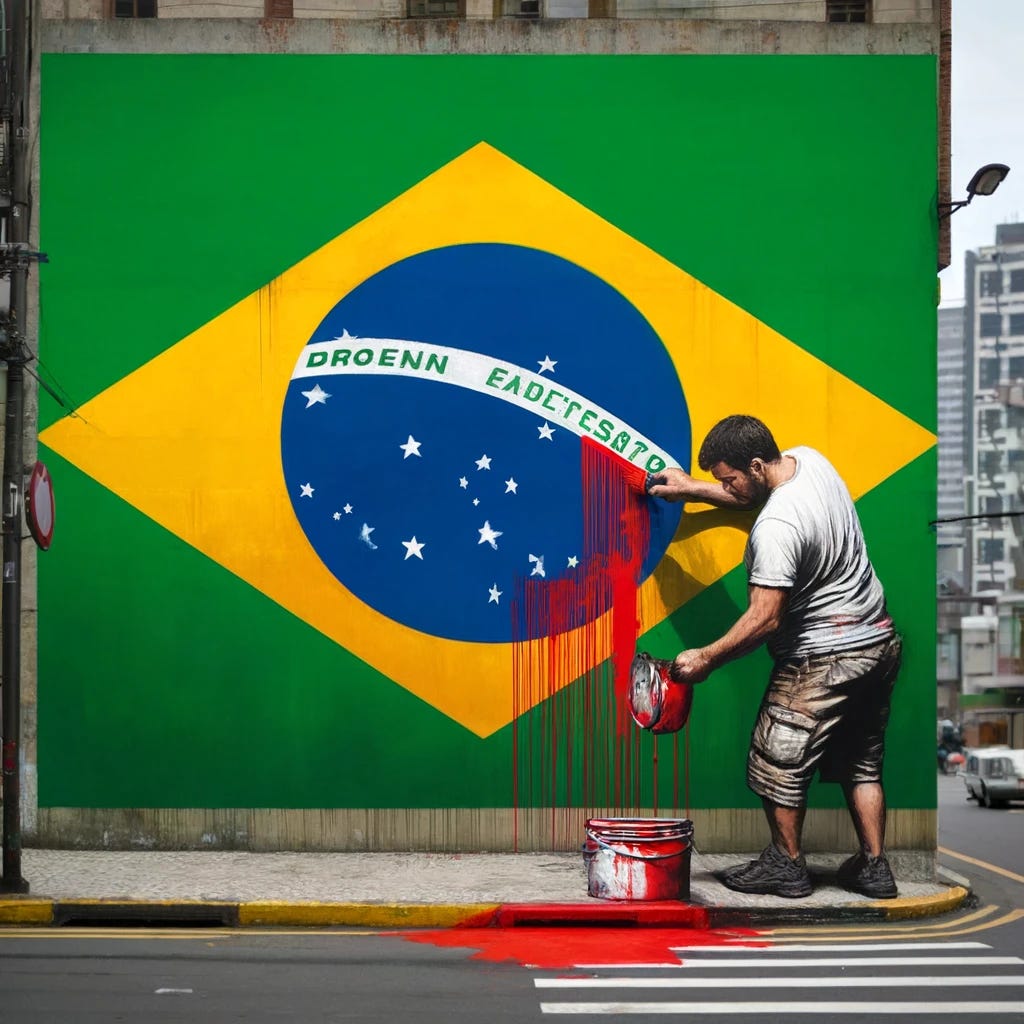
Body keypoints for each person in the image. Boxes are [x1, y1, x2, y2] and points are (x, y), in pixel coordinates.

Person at [647, 414, 902, 900]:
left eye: (730, 478)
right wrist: (694, 488)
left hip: (824, 657)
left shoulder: (776, 529)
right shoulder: (810, 461)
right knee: (862, 763)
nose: (728, 486)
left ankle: (786, 866)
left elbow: (765, 619)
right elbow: (754, 493)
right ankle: (874, 868)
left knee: (775, 761)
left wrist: (706, 658)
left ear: (757, 465)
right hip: (878, 643)